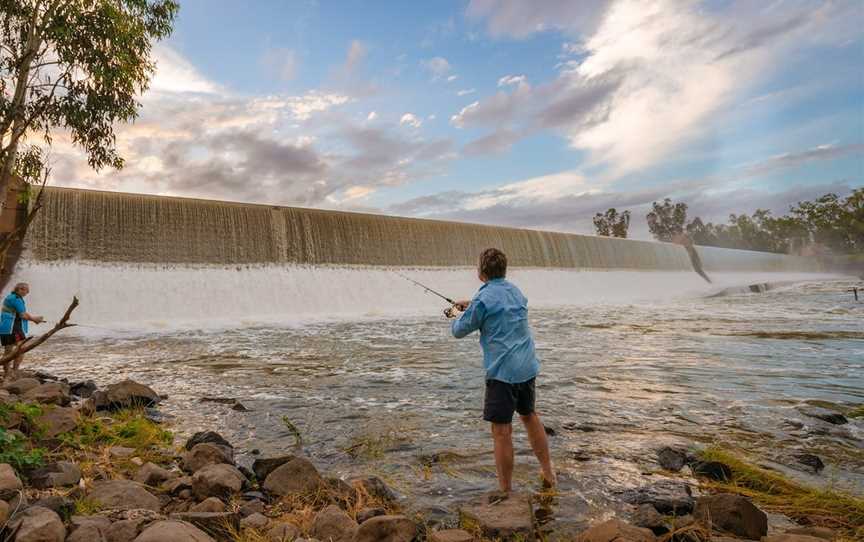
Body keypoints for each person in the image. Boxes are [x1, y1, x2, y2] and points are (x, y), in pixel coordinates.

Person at [446, 248, 555, 493]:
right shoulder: (515, 291)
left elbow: (459, 330)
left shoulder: (483, 300)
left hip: (503, 372)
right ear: (504, 270)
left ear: (481, 272)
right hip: (526, 366)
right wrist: (471, 305)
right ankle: (548, 472)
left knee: (501, 431)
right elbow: (497, 306)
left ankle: (505, 491)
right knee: (529, 416)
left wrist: (456, 312)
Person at [1, 282, 44, 379]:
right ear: (19, 289)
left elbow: (22, 313)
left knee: (8, 351)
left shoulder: (10, 297)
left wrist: (34, 318)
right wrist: (35, 319)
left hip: (5, 327)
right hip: (13, 327)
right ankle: (14, 372)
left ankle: (7, 373)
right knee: (22, 348)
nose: (27, 292)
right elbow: (23, 315)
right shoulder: (16, 299)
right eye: (26, 289)